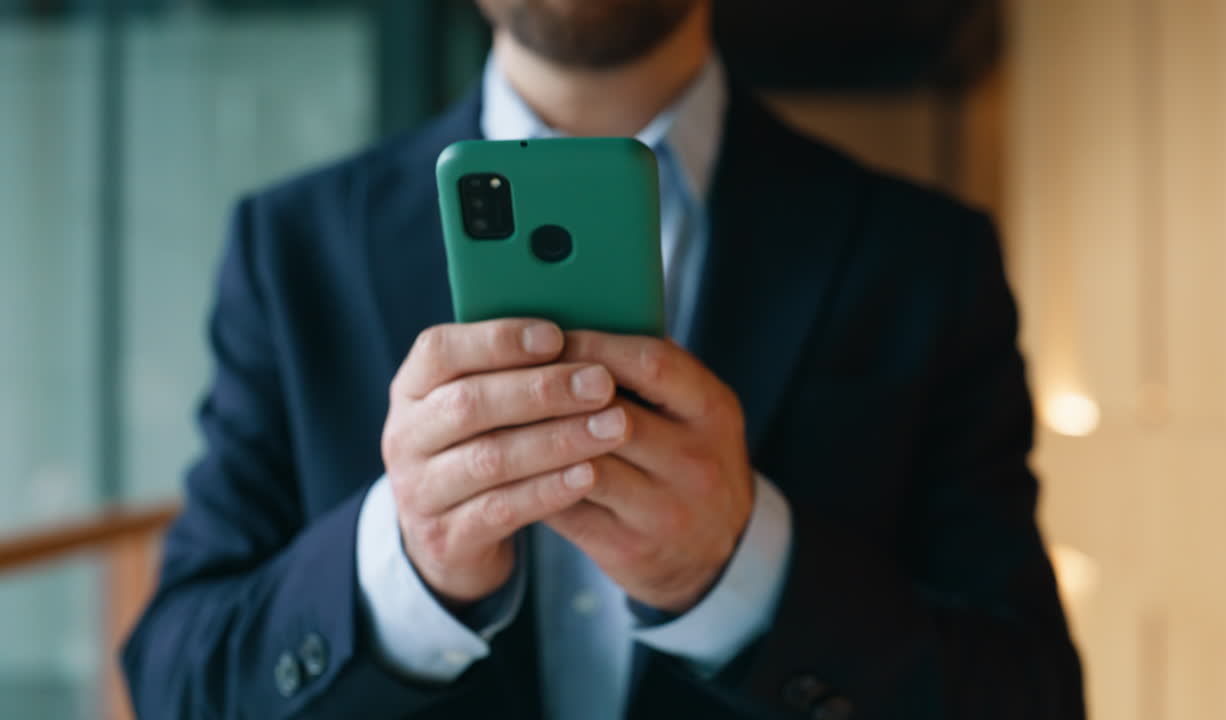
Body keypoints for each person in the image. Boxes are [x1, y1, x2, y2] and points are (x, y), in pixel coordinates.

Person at [122, 1, 1084, 718]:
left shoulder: (923, 258)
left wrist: (741, 570)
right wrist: (405, 567)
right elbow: (174, 679)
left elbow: (1030, 696)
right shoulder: (291, 250)